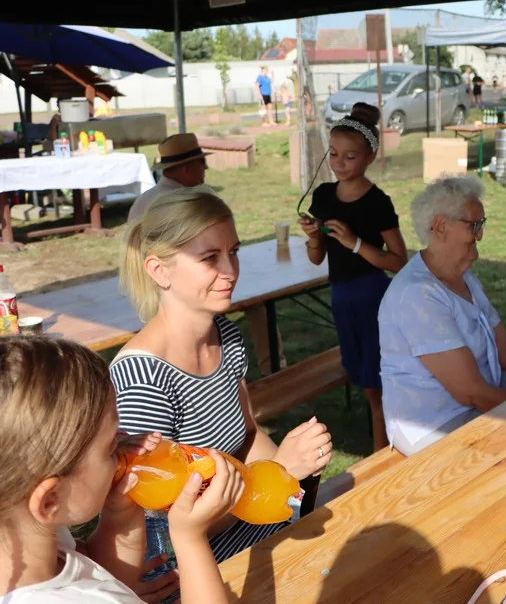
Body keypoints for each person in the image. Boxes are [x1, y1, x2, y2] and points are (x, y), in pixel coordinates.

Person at [112, 187, 333, 566]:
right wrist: (280, 472)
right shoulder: (141, 378)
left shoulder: (225, 335)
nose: (230, 271)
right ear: (159, 270)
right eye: (210, 258)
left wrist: (299, 474)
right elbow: (161, 530)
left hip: (253, 529)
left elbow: (247, 437)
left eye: (233, 252)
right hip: (199, 568)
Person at [0, 336, 244, 604]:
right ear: (50, 500)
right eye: (110, 447)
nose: (124, 445)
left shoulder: (22, 534)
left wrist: (120, 516)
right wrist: (190, 539)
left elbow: (107, 576)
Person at [379, 175, 506, 456]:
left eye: (482, 224)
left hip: (479, 393)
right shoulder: (417, 294)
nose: (480, 235)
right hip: (433, 422)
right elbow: (471, 392)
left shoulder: (463, 278)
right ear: (441, 226)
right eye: (474, 225)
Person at [128, 133, 286, 375]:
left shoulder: (143, 200)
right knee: (257, 304)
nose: (206, 169)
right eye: (203, 163)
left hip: (152, 295)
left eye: (234, 252)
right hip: (172, 301)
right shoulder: (196, 200)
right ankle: (275, 370)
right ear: (187, 169)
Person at [299, 103, 406, 451]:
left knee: (376, 383)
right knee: (362, 376)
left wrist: (355, 242)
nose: (339, 164)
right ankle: (384, 440)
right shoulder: (324, 196)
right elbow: (317, 259)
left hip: (372, 296)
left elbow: (399, 261)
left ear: (370, 156)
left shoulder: (377, 203)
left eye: (350, 157)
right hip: (341, 296)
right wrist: (315, 237)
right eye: (333, 154)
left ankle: (382, 449)